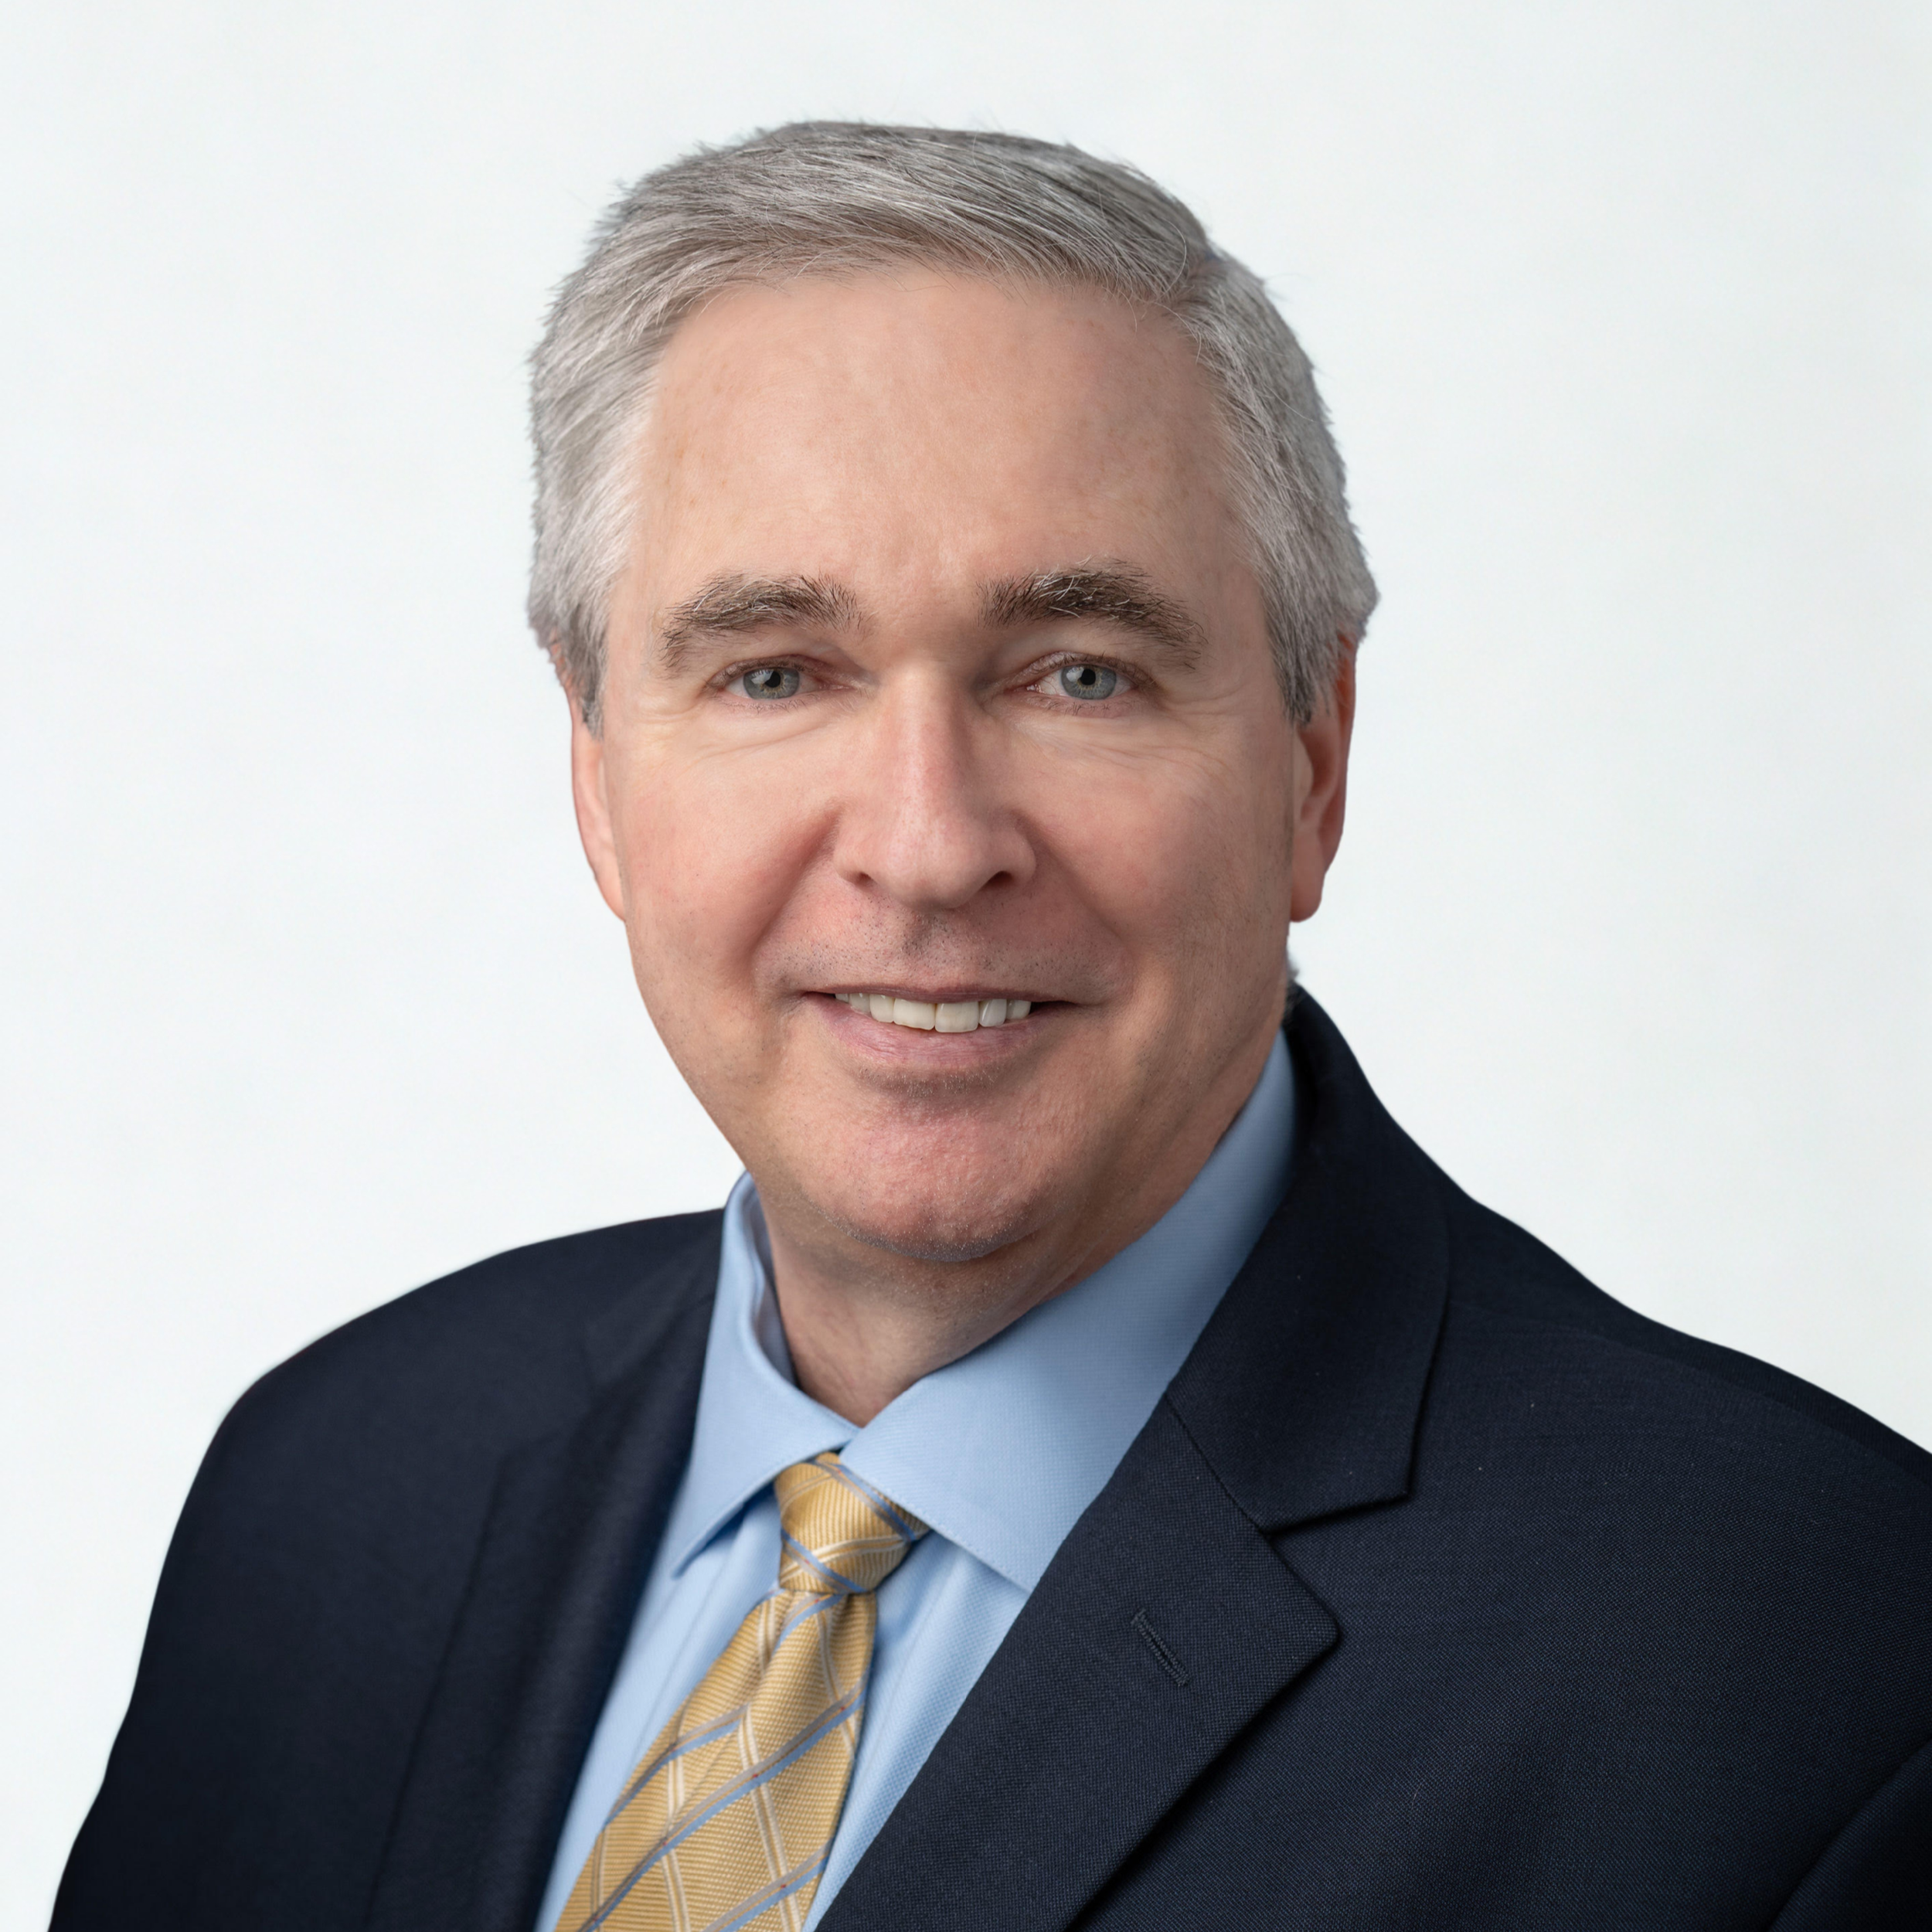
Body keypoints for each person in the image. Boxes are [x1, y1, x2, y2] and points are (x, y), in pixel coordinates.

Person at [55, 124, 1930, 1932]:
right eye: (775, 670)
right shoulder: (335, 1485)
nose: (929, 846)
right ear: (598, 776)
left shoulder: (1814, 1672)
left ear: (1311, 760)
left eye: (1080, 673)